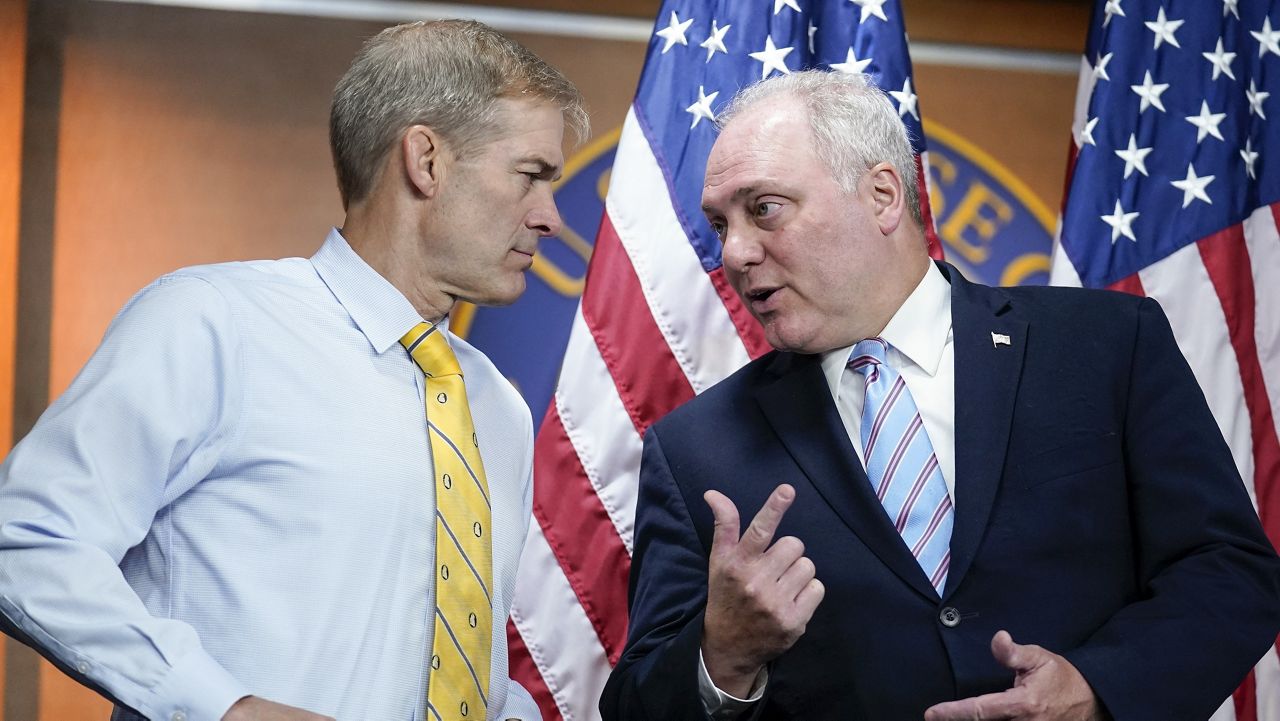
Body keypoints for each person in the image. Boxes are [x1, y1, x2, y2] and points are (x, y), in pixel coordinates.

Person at [599, 70, 1280, 721]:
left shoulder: (1104, 345)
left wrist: (1101, 686)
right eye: (721, 225)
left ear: (883, 195)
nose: (736, 252)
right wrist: (723, 655)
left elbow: (1229, 569)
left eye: (763, 209)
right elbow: (634, 703)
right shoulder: (694, 449)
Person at [0, 19, 587, 721]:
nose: (550, 216)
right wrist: (225, 708)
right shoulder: (212, 323)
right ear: (426, 160)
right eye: (530, 175)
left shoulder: (495, 404)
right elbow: (28, 541)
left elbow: (449, 656)